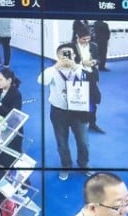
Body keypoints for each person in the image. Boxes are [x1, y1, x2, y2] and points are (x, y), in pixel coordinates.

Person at [38, 43, 91, 180]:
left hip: (78, 110)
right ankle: (66, 165)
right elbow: (41, 81)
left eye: (70, 54)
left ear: (74, 55)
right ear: (58, 56)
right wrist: (57, 66)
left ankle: (84, 164)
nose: (67, 57)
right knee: (62, 141)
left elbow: (90, 79)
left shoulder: (80, 68)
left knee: (83, 140)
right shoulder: (52, 70)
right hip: (58, 111)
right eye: (63, 55)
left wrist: (75, 66)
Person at [72, 25, 105, 134]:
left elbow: (99, 58)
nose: (86, 41)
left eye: (88, 39)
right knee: (79, 101)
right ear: (77, 37)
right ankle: (78, 124)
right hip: (77, 77)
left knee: (93, 100)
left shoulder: (93, 46)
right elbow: (67, 63)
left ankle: (92, 124)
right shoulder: (71, 48)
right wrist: (82, 63)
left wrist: (95, 62)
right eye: (83, 39)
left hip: (91, 76)